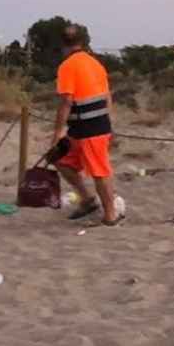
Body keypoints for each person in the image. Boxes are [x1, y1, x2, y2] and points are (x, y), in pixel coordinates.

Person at [52, 24, 122, 225]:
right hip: (85, 129)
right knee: (61, 161)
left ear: (63, 44)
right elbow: (108, 96)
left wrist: (57, 132)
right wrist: (109, 123)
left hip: (91, 129)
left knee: (99, 172)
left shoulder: (67, 67)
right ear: (83, 42)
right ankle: (88, 199)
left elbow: (66, 101)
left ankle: (110, 215)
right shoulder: (96, 64)